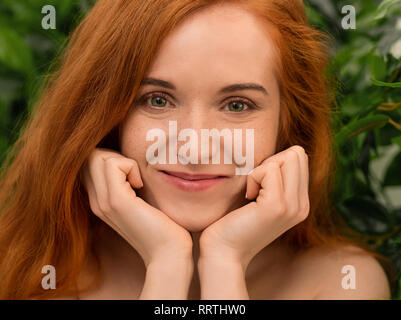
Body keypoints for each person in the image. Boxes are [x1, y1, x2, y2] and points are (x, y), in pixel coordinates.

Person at [0, 0, 394, 300]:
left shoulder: (340, 284)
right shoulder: (35, 275)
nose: (193, 147)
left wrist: (224, 262)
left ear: (288, 125)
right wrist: (167, 265)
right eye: (157, 100)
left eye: (237, 105)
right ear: (106, 114)